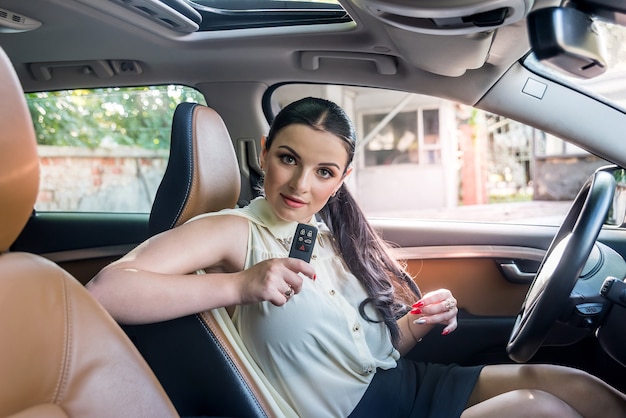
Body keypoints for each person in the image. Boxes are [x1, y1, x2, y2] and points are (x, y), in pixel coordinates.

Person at [87, 97, 626, 418]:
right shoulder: (235, 231)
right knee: (543, 412)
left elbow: (365, 354)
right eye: (288, 159)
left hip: (406, 389)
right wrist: (239, 286)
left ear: (343, 179)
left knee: (578, 386)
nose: (300, 184)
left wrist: (417, 323)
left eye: (324, 172)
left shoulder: (326, 235)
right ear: (264, 153)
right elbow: (107, 292)